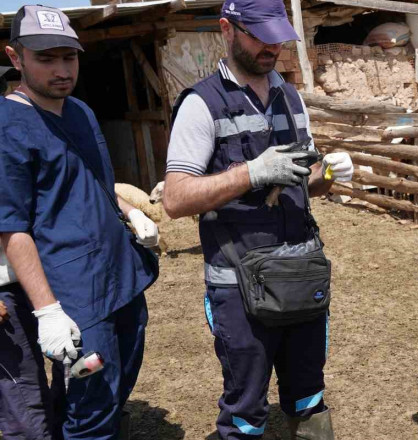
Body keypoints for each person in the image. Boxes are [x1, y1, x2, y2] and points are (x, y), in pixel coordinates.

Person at [161, 0, 353, 437]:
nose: (273, 46)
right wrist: (251, 172)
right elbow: (174, 198)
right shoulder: (201, 104)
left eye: (279, 35)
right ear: (227, 29)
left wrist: (329, 175)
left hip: (301, 274)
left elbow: (305, 184)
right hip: (239, 286)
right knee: (246, 409)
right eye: (259, 34)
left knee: (309, 397)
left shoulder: (290, 97)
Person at [0, 5, 160, 439]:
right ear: (16, 58)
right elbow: (10, 226)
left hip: (119, 275)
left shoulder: (81, 113)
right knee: (91, 401)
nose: (61, 70)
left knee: (120, 378)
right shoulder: (8, 127)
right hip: (74, 290)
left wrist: (131, 213)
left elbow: (94, 183)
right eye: (46, 59)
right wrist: (48, 311)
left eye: (68, 58)